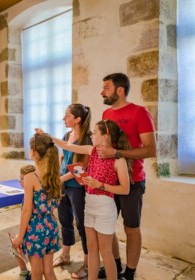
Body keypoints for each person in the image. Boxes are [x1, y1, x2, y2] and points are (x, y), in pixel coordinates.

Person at [36, 119, 133, 280]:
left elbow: (125, 189)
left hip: (105, 208)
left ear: (105, 136)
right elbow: (67, 146)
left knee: (106, 252)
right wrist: (47, 136)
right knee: (92, 248)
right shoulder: (91, 150)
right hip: (90, 205)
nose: (92, 135)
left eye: (95, 133)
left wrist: (99, 184)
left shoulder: (119, 160)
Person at [97, 73, 156, 280]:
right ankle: (115, 266)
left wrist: (118, 154)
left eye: (106, 88)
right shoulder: (106, 113)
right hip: (107, 181)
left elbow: (150, 150)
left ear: (119, 90)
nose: (102, 92)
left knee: (131, 228)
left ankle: (129, 273)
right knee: (106, 226)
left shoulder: (140, 113)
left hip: (132, 182)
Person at [12, 134, 61, 280]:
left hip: (35, 229)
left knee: (36, 273)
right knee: (49, 271)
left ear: (33, 151)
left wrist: (20, 236)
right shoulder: (55, 176)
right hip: (51, 226)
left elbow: (27, 210)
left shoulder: (30, 178)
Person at [53, 104, 91, 280]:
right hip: (64, 185)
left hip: (77, 188)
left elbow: (81, 167)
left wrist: (60, 179)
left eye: (67, 115)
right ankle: (65, 255)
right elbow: (64, 159)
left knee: (82, 225)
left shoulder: (87, 139)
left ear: (78, 119)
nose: (63, 118)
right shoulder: (67, 135)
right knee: (65, 220)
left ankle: (87, 264)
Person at [10, 164, 36, 280]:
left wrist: (21, 235)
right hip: (28, 229)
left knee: (17, 244)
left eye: (22, 179)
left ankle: (27, 273)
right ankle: (24, 272)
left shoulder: (31, 195)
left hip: (32, 231)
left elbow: (27, 213)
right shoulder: (27, 193)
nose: (20, 181)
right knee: (15, 245)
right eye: (19, 178)